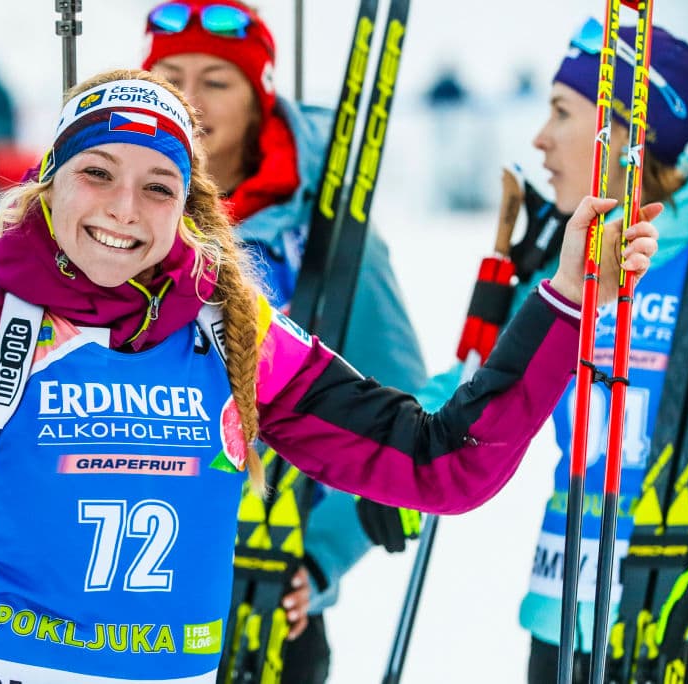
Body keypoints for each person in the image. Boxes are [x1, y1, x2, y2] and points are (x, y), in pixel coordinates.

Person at [0, 68, 659, 684]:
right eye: (96, 173)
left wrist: (566, 297)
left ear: (189, 207)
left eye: (158, 186)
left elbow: (441, 466)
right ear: (47, 185)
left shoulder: (238, 333)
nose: (123, 210)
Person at [417, 18, 688, 683]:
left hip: (685, 618)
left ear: (628, 136)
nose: (539, 138)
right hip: (563, 616)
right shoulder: (572, 265)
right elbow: (483, 388)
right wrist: (405, 452)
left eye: (562, 112)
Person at [139, 1, 426, 679]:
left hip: (265, 581)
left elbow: (398, 395)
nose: (187, 98)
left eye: (216, 80)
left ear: (259, 97)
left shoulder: (322, 227)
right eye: (168, 74)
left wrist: (321, 554)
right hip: (120, 572)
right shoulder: (110, 215)